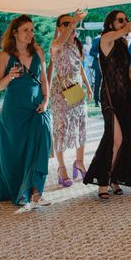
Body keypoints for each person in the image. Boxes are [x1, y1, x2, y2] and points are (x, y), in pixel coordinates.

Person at [83, 4, 131, 199]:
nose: (125, 22)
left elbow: (127, 69)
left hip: (125, 94)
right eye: (120, 20)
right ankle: (102, 180)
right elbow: (128, 30)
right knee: (115, 138)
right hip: (110, 95)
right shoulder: (106, 39)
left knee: (124, 140)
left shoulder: (123, 44)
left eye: (126, 19)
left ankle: (113, 177)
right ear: (111, 23)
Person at [0, 15, 52, 212]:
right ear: (15, 32)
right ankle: (17, 190)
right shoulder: (3, 56)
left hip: (36, 108)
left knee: (39, 147)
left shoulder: (38, 52)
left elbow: (44, 78)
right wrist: (9, 76)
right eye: (25, 29)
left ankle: (35, 192)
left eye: (32, 29)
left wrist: (46, 100)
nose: (30, 33)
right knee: (16, 152)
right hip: (13, 112)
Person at [47, 11, 92, 187]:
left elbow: (80, 68)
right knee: (61, 128)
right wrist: (74, 21)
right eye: (65, 24)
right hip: (61, 92)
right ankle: (61, 168)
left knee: (81, 126)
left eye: (70, 24)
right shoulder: (56, 44)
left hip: (77, 91)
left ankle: (79, 162)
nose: (70, 26)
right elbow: (59, 41)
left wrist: (88, 87)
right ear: (59, 28)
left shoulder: (77, 45)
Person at [90, 35, 101, 106]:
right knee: (97, 83)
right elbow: (91, 52)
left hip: (108, 65)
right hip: (98, 65)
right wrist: (97, 55)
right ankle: (96, 100)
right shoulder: (96, 40)